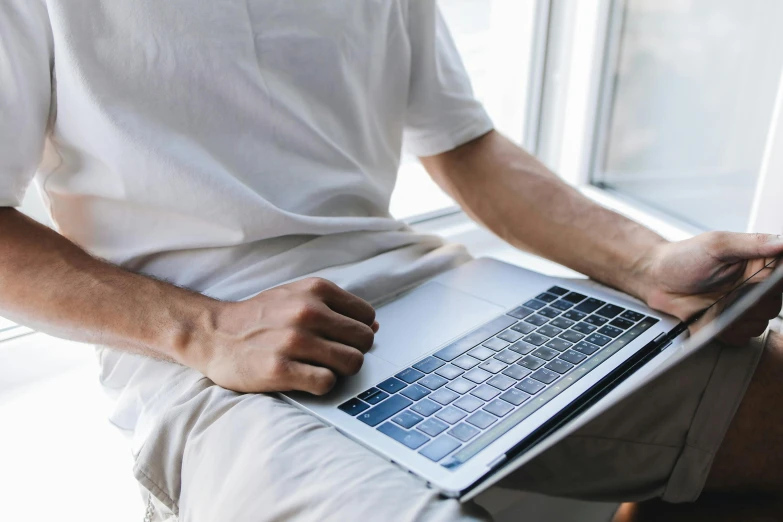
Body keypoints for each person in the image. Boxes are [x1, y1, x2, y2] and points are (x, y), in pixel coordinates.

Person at [1, 1, 781, 520]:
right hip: (216, 367)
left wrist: (644, 260)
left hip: (433, 296)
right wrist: (204, 331)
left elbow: (463, 144)